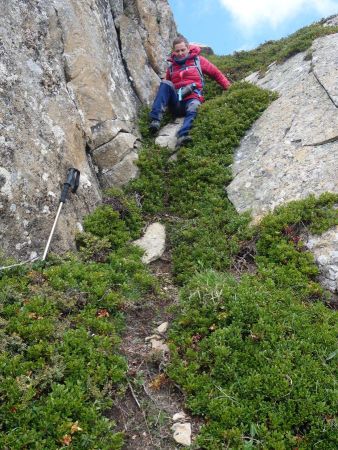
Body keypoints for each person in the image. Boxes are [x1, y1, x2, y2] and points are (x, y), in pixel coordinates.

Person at [149, 35, 231, 148]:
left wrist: (229, 88)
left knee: (194, 106)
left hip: (193, 98)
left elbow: (216, 73)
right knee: (165, 84)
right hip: (177, 102)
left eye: (183, 50)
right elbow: (167, 90)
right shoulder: (171, 67)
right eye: (177, 51)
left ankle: (183, 135)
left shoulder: (198, 60)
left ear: (188, 48)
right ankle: (155, 120)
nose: (180, 53)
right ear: (174, 51)